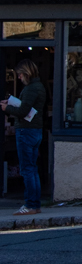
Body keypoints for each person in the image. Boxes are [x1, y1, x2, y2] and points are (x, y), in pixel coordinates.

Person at [1, 59, 47, 215]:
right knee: (32, 169)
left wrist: (8, 108)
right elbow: (27, 107)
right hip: (35, 130)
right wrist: (13, 103)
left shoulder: (30, 89)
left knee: (27, 169)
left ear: (26, 73)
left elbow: (23, 111)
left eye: (20, 74)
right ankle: (35, 204)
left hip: (26, 131)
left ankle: (30, 204)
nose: (19, 77)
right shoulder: (38, 87)